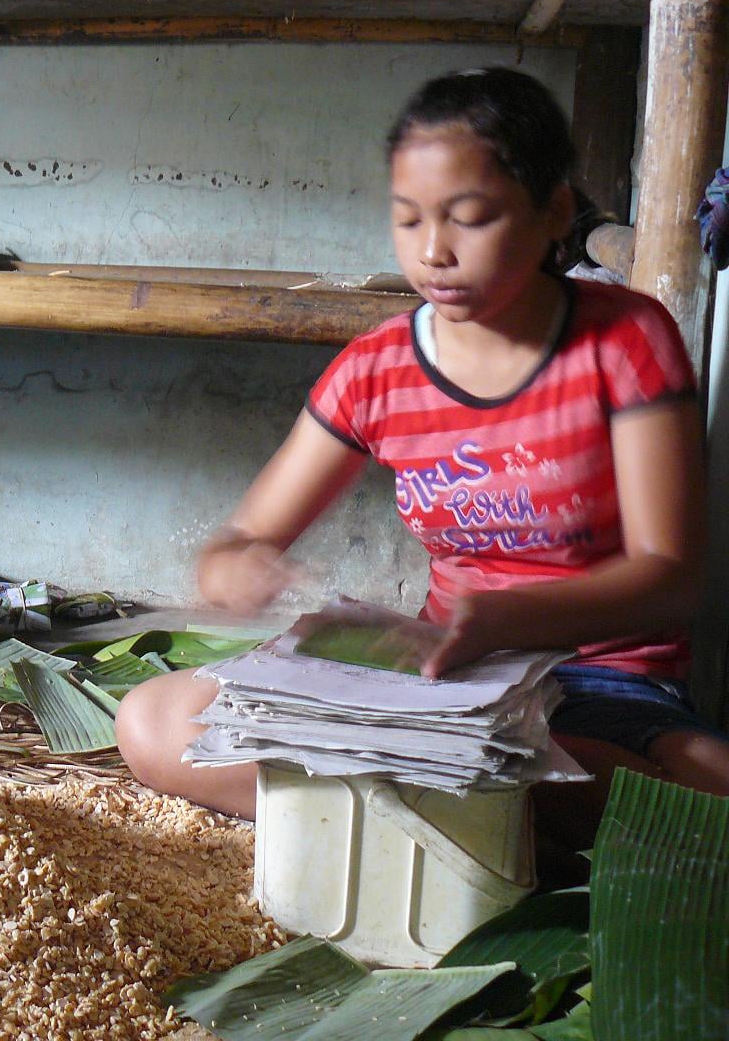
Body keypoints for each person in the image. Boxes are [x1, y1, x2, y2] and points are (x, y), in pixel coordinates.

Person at [116, 67, 729, 854]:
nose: (433, 251)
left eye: (469, 218)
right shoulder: (379, 369)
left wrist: (503, 619)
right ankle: (476, 811)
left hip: (604, 686)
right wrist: (238, 568)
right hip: (441, 688)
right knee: (153, 723)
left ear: (554, 213)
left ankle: (421, 809)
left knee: (708, 780)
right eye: (408, 221)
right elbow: (240, 541)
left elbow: (670, 579)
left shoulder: (625, 341)